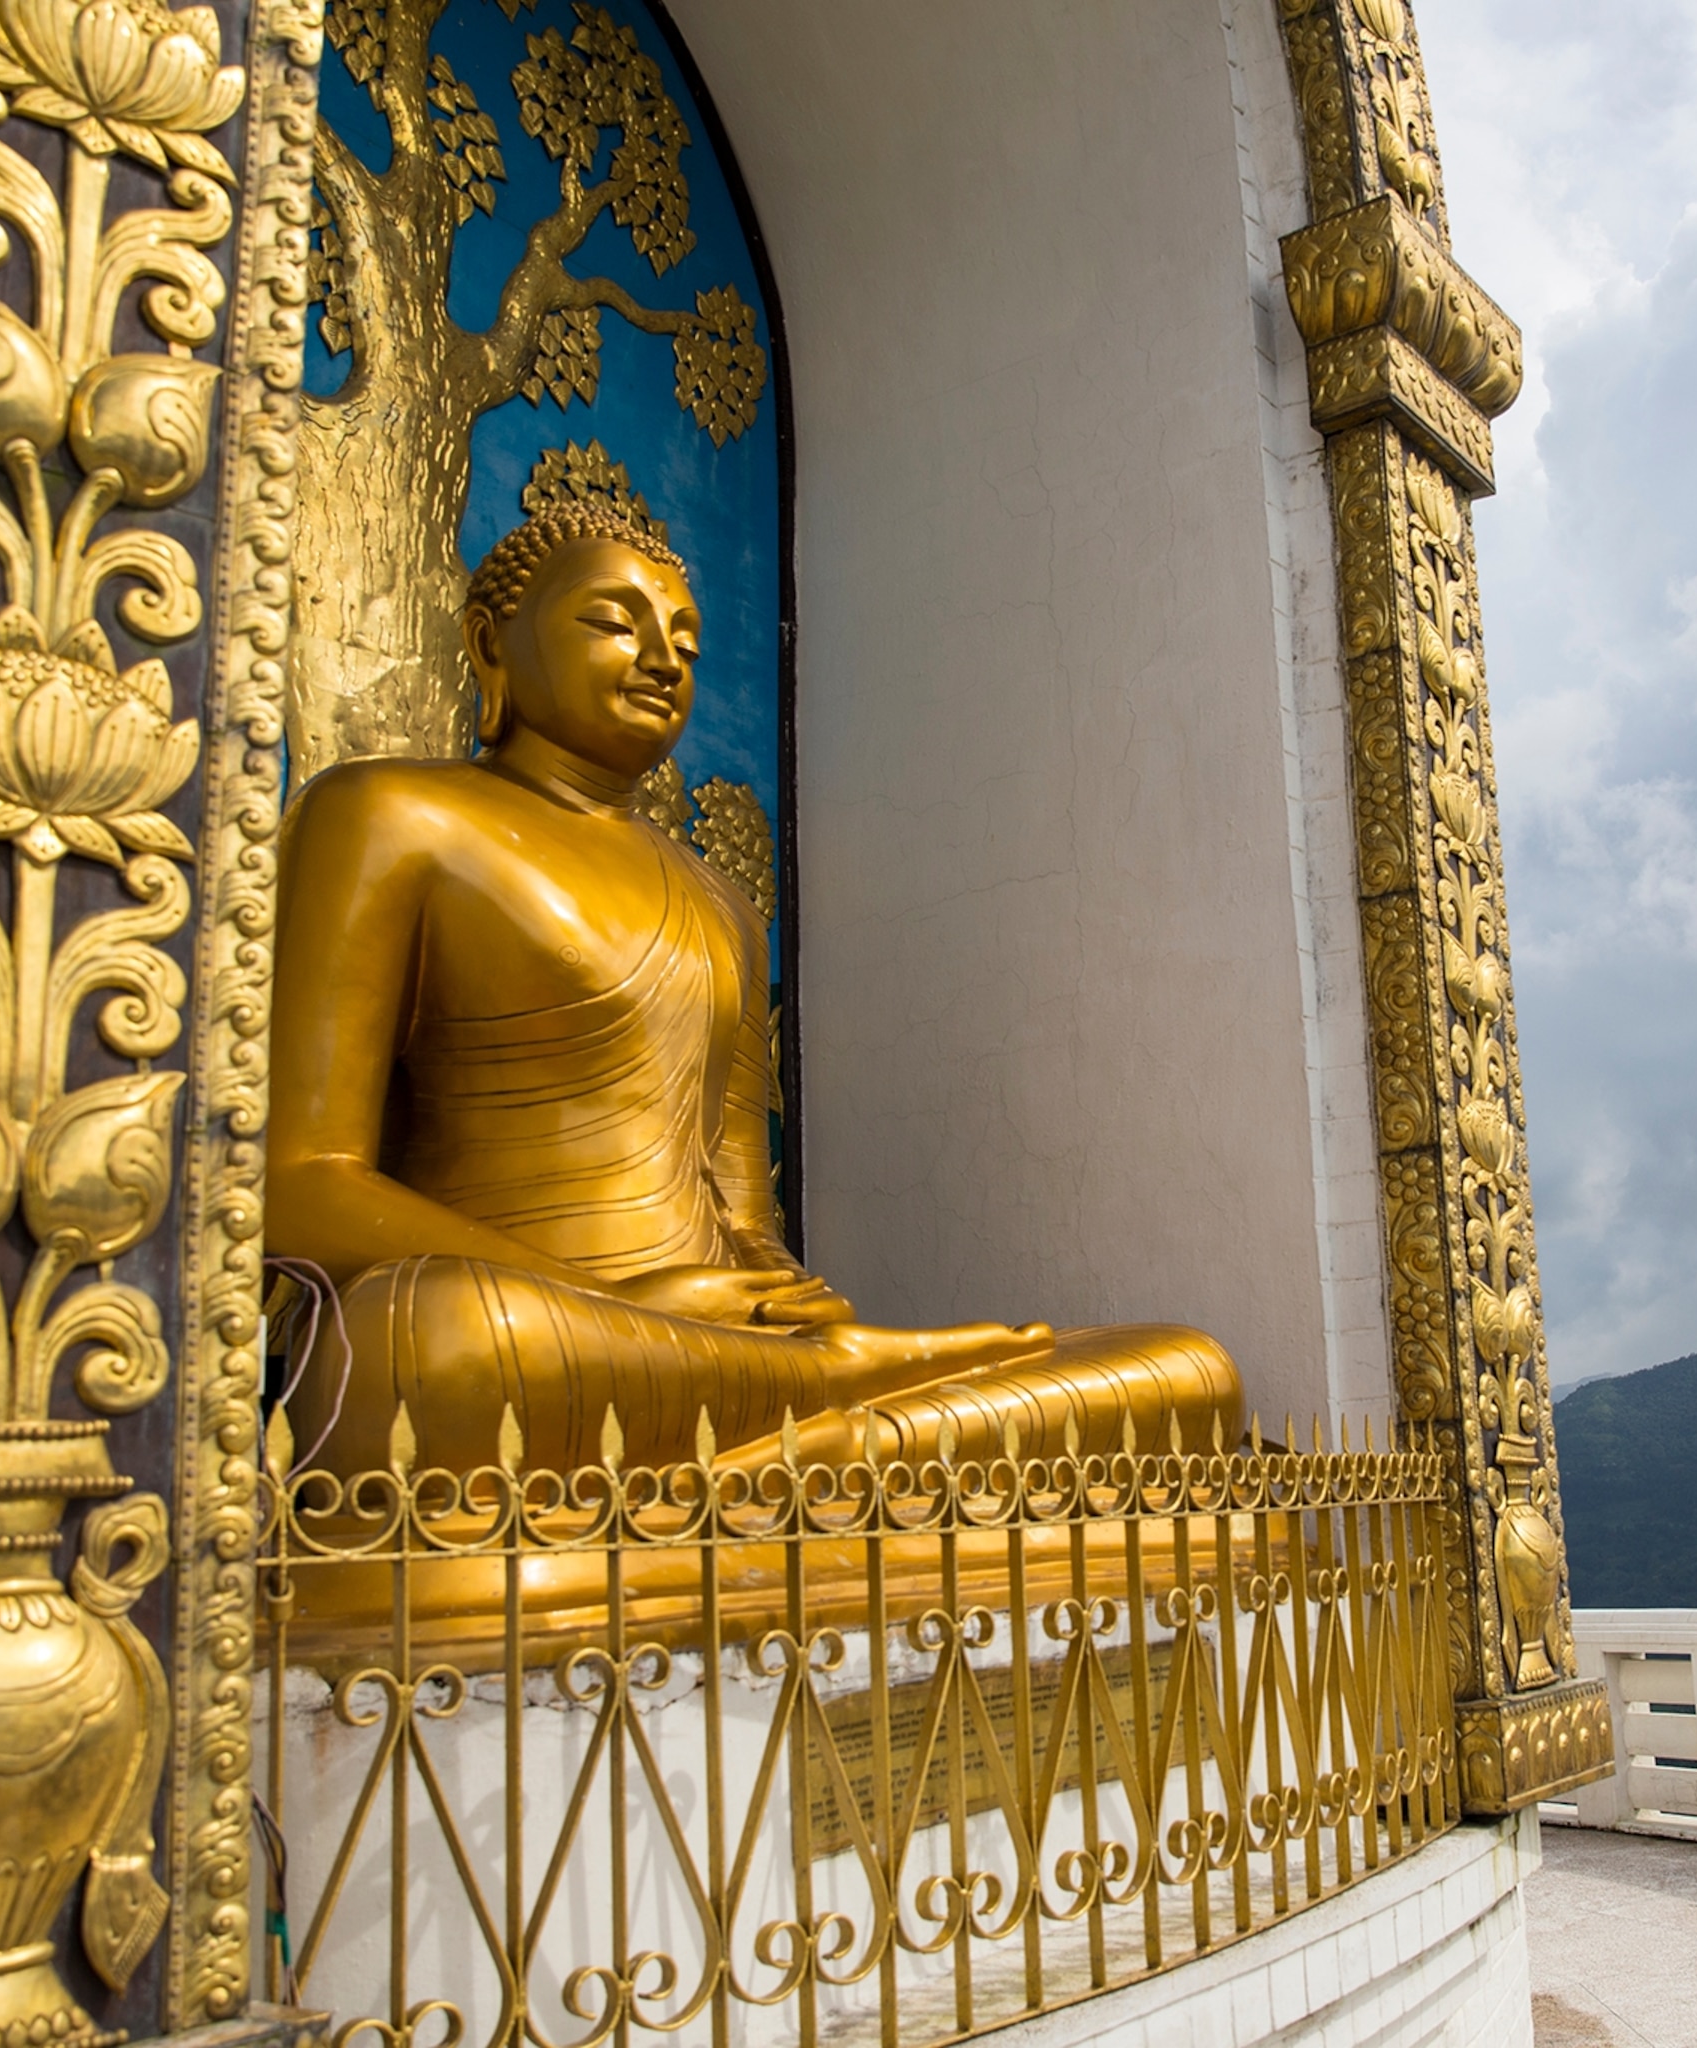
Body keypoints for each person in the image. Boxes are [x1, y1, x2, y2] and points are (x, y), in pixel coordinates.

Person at [268, 481, 1243, 1479]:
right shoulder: (387, 815)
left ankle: (810, 1435)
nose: (662, 660)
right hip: (540, 1336)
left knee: (1188, 1367)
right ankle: (845, 1450)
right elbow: (291, 1182)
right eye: (614, 621)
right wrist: (623, 1301)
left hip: (723, 1360)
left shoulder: (720, 902)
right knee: (426, 1345)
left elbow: (742, 1218)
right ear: (489, 643)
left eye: (687, 644)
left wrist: (788, 1302)